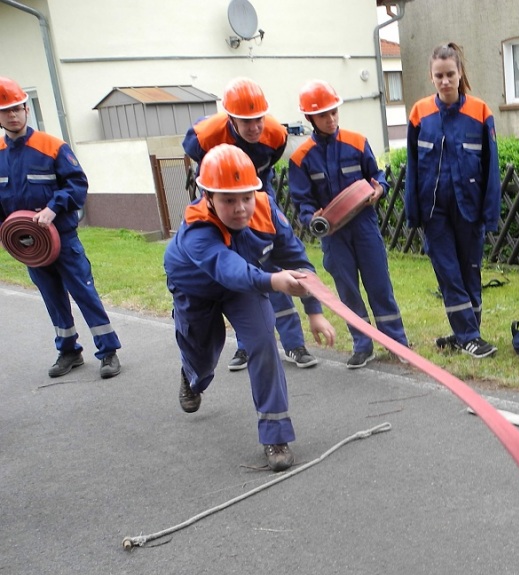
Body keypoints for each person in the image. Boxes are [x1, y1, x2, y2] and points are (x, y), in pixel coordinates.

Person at [163, 144, 335, 471]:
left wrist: (314, 311)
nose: (241, 208)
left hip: (247, 286)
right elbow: (230, 269)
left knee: (263, 343)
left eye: (246, 196)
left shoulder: (265, 209)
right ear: (208, 197)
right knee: (203, 353)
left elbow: (297, 260)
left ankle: (275, 434)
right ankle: (191, 376)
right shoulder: (197, 228)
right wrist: (275, 282)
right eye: (229, 200)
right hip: (196, 290)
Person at [183, 77, 318, 371]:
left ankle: (294, 344)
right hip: (219, 205)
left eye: (258, 119)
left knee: (269, 265)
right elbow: (199, 168)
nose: (255, 127)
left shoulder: (275, 134)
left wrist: (255, 204)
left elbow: (266, 171)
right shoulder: (203, 136)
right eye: (246, 122)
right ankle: (247, 344)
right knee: (235, 272)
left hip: (256, 196)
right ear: (230, 119)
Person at [0, 77, 122, 379]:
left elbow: (78, 183)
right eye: (5, 111)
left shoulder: (52, 146)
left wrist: (54, 208)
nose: (12, 115)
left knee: (83, 292)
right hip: (29, 245)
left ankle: (108, 351)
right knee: (52, 298)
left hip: (62, 238)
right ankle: (68, 351)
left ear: (26, 109)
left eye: (16, 108)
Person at [288, 80, 408, 369]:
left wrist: (379, 188)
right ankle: (362, 344)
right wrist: (311, 218)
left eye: (334, 112)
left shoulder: (357, 142)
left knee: (380, 285)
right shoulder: (301, 158)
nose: (330, 119)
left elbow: (378, 177)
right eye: (323, 115)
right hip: (333, 235)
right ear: (310, 119)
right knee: (348, 291)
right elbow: (301, 203)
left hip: (365, 226)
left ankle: (397, 344)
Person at [405, 44, 501, 358]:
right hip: (434, 212)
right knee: (448, 272)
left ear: (460, 74)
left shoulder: (480, 112)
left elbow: (491, 168)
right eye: (439, 76)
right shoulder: (420, 113)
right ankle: (469, 335)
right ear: (431, 78)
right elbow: (413, 165)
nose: (445, 81)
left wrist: (490, 213)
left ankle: (466, 333)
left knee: (469, 271)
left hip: (469, 209)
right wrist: (412, 212)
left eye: (450, 74)